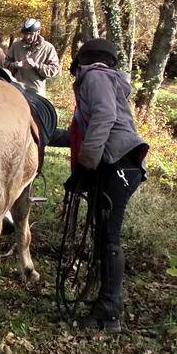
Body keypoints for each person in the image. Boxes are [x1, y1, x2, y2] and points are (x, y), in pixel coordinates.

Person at [49, 38, 148, 333]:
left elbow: (105, 116)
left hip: (115, 164)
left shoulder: (95, 76)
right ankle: (104, 302)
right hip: (118, 163)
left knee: (108, 238)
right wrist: (42, 133)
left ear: (83, 61)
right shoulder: (105, 78)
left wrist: (85, 163)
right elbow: (83, 131)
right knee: (103, 235)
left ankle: (109, 311)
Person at [6, 18, 60, 96]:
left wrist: (37, 66)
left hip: (36, 92)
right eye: (25, 34)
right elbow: (5, 65)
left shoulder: (48, 48)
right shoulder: (16, 46)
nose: (27, 37)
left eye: (31, 34)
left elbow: (54, 70)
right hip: (16, 90)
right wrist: (17, 64)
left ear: (38, 32)